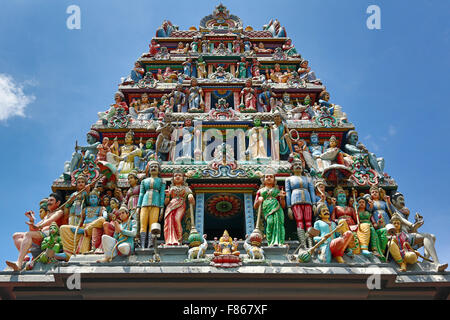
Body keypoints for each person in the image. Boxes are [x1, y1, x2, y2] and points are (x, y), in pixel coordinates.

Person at [7, 193, 66, 271]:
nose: (49, 202)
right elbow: (33, 230)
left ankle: (19, 263)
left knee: (28, 234)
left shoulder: (59, 212)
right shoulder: (46, 216)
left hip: (51, 235)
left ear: (58, 203)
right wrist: (32, 220)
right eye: (48, 200)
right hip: (40, 235)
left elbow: (50, 221)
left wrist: (38, 226)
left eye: (51, 200)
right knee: (16, 235)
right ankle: (24, 257)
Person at [60, 188, 107, 255]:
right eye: (91, 197)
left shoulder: (101, 208)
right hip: (84, 227)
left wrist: (104, 216)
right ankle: (68, 253)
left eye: (94, 197)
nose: (92, 199)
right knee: (63, 228)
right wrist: (77, 200)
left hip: (94, 227)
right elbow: (78, 215)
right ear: (89, 200)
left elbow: (105, 216)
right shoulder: (85, 209)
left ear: (98, 199)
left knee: (102, 219)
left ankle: (85, 231)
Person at [285, 161, 317, 249]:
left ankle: (310, 244)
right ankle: (303, 244)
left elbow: (312, 191)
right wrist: (289, 207)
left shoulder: (308, 179)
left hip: (308, 201)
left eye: (300, 164)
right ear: (292, 167)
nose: (298, 166)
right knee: (299, 221)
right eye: (296, 165)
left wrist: (314, 204)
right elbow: (288, 192)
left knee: (308, 222)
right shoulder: (289, 179)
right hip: (295, 201)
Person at [137, 161, 166, 248]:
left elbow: (162, 195)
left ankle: (150, 243)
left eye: (155, 167)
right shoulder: (144, 181)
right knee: (143, 224)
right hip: (144, 204)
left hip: (156, 204)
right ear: (149, 170)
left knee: (153, 224)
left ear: (159, 170)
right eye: (151, 167)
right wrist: (138, 206)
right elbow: (141, 194)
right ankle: (142, 244)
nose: (153, 168)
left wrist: (161, 207)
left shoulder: (161, 181)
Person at [254, 170, 286, 247]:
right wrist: (259, 201)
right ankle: (270, 242)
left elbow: (283, 206)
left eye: (271, 177)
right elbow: (255, 206)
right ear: (263, 180)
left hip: (277, 209)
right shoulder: (260, 191)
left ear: (274, 180)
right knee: (270, 223)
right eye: (267, 176)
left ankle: (279, 242)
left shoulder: (277, 190)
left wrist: (282, 198)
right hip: (267, 209)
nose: (269, 178)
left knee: (279, 223)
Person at [163, 170, 195, 245]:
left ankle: (179, 239)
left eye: (180, 175)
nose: (177, 177)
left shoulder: (186, 188)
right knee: (169, 221)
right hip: (171, 205)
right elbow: (166, 203)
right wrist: (167, 195)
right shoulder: (171, 188)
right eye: (175, 175)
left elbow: (192, 201)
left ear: (183, 178)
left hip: (181, 204)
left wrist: (190, 196)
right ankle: (170, 240)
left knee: (177, 219)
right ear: (173, 178)